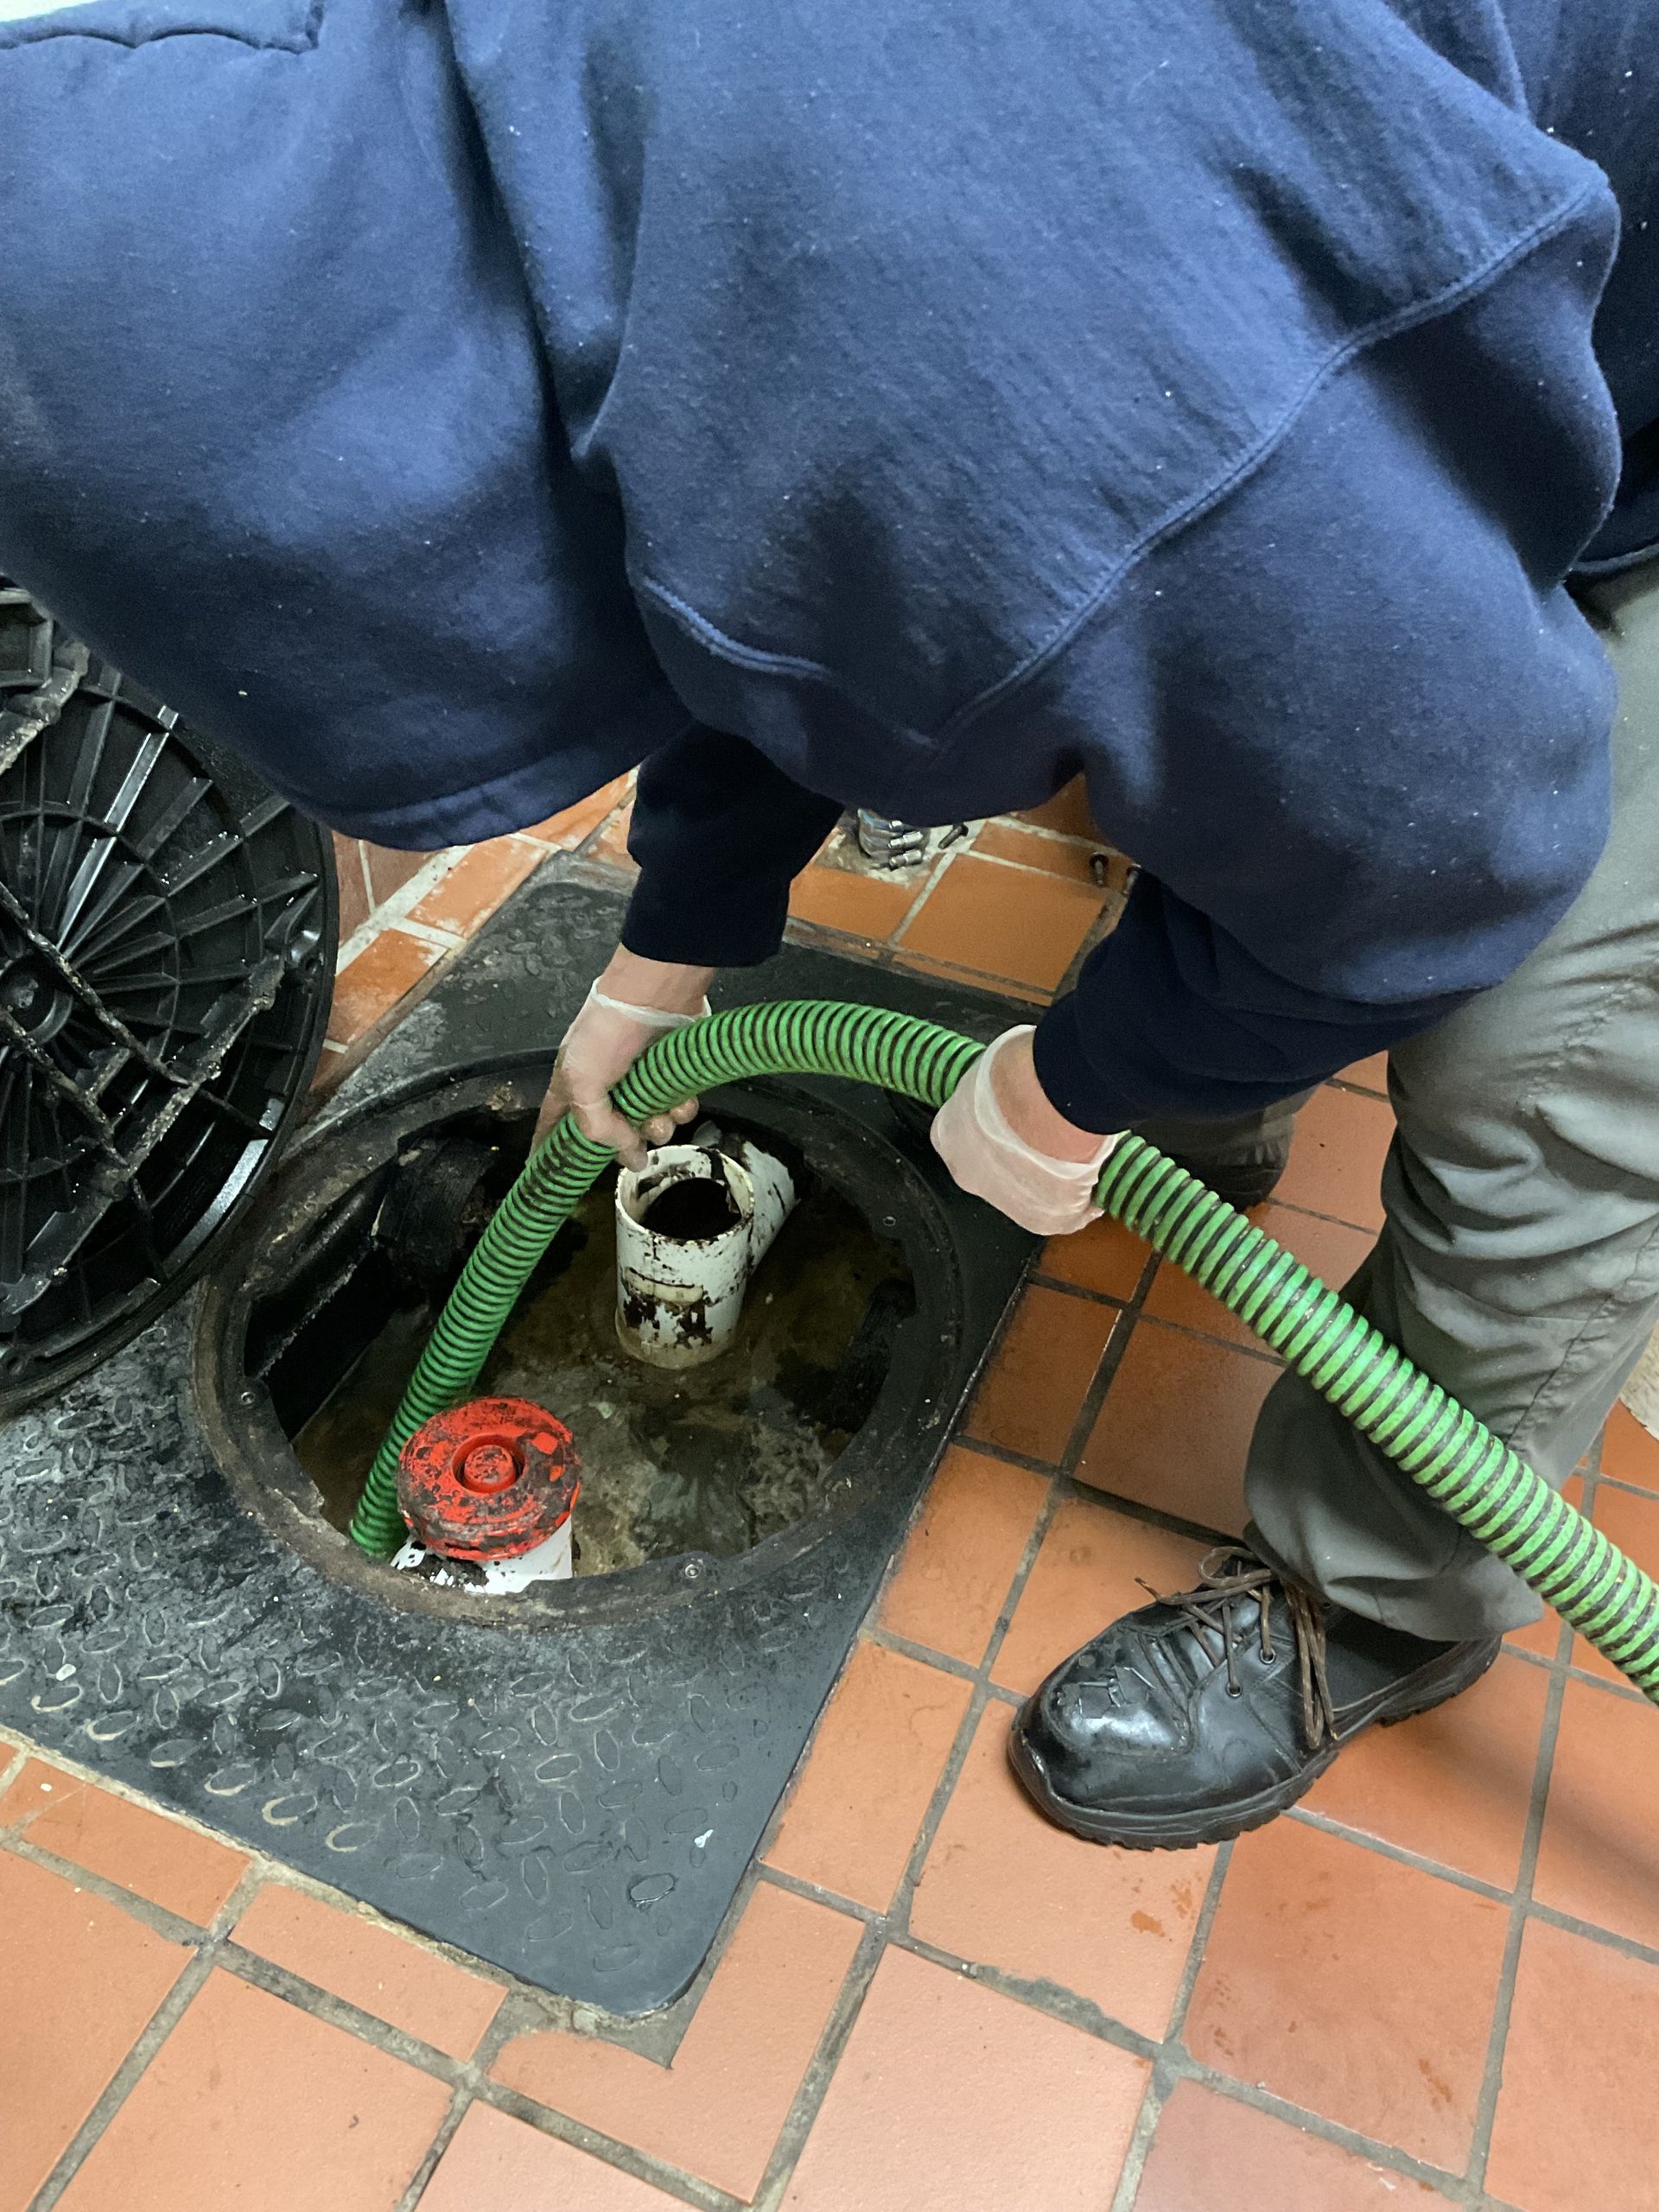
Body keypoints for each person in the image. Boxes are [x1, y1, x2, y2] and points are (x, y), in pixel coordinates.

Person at [0, 0, 1655, 1847]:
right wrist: (670, 947)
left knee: (1545, 1048)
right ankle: (1220, 1077)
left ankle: (1376, 1595)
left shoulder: (1041, 404)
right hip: (1238, 315)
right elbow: (723, 511)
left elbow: (1459, 841)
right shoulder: (549, 131)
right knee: (1232, 689)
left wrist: (1080, 1082)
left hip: (1601, 332)